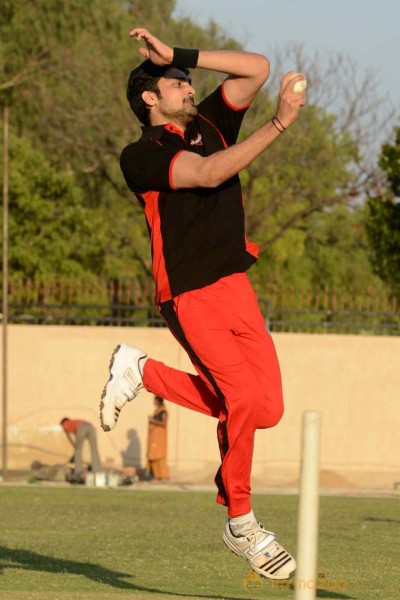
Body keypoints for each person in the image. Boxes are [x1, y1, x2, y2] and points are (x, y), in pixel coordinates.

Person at [99, 27, 306, 580]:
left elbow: (257, 67)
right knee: (239, 397)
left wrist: (178, 55)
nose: (190, 88)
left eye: (190, 81)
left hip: (234, 284)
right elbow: (211, 173)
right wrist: (280, 123)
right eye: (177, 82)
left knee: (265, 410)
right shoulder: (141, 155)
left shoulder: (211, 121)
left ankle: (143, 371)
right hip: (188, 292)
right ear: (150, 98)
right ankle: (241, 522)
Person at [60, 417, 101, 482]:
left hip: (81, 428)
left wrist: (74, 445)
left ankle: (78, 470)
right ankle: (97, 470)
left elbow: (68, 435)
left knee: (78, 451)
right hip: (91, 427)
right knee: (94, 450)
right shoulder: (75, 422)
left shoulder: (65, 423)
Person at [147, 396, 170, 480]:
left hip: (159, 439)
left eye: (155, 400)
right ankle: (156, 476)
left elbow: (164, 423)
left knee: (159, 456)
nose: (153, 402)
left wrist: (152, 421)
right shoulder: (156, 411)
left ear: (158, 401)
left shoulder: (163, 411)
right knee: (153, 456)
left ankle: (163, 476)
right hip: (154, 438)